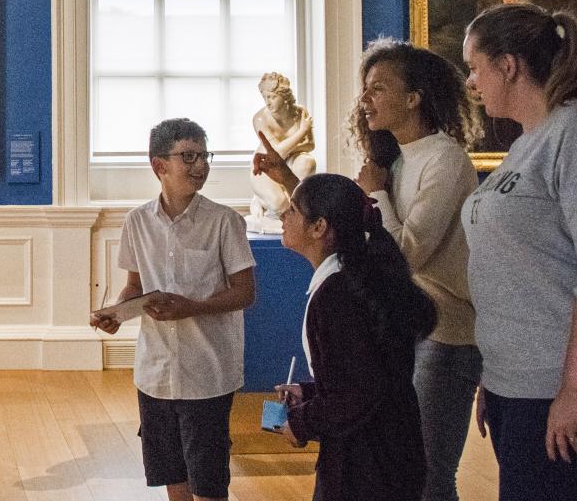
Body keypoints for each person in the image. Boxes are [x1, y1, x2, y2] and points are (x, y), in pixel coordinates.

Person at [460, 3, 577, 500]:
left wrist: (575, 390)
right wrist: (493, 377)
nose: (472, 84)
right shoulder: (526, 142)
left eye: (475, 68)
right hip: (513, 385)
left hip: (554, 387)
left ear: (509, 66)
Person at [92, 118, 256, 501]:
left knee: (209, 480)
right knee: (171, 475)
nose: (200, 166)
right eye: (188, 156)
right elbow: (135, 287)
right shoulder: (136, 222)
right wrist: (116, 314)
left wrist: (191, 307)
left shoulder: (225, 221)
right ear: (159, 165)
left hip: (208, 372)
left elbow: (245, 293)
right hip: (155, 372)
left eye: (204, 155)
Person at [349, 39, 482, 501]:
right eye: (365, 89)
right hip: (405, 329)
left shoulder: (446, 159)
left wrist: (377, 195)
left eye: (378, 89)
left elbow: (405, 253)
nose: (365, 99)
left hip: (446, 336)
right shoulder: (398, 160)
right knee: (402, 467)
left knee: (430, 473)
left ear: (413, 97)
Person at [274, 174, 436, 501]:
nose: (283, 216)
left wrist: (301, 421)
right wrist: (309, 391)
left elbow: (359, 390)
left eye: (292, 209)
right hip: (383, 451)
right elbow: (363, 371)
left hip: (368, 462)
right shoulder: (349, 282)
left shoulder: (337, 294)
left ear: (319, 227)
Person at [249, 72, 316, 219]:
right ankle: (260, 200)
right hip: (265, 167)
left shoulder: (300, 112)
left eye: (272, 97)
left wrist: (288, 150)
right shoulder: (260, 118)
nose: (268, 102)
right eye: (265, 97)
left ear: (284, 96)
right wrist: (302, 132)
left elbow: (310, 145)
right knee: (282, 206)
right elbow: (275, 154)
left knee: (307, 162)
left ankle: (283, 203)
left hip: (290, 163)